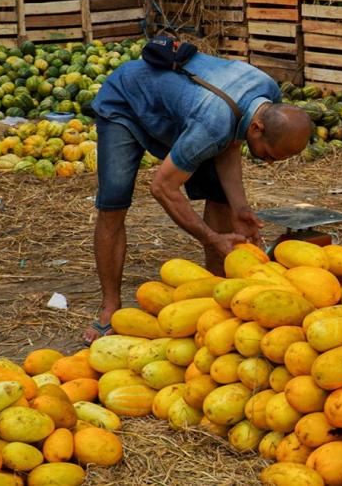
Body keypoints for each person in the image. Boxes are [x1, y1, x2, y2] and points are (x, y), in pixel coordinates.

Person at [84, 53, 312, 342]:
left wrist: (240, 209)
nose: (267, 163)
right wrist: (209, 237)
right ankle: (110, 306)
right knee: (114, 202)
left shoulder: (267, 93)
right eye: (268, 155)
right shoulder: (212, 124)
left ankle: (216, 290)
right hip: (127, 103)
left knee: (220, 195)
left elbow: (230, 145)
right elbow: (163, 188)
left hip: (182, 112)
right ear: (258, 129)